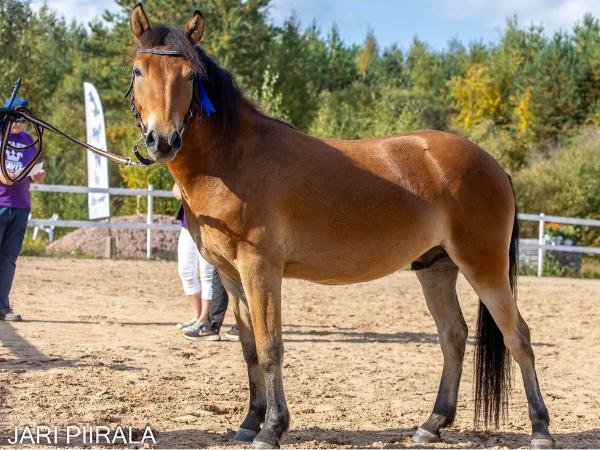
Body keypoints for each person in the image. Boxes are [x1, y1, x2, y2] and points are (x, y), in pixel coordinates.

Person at [173, 183, 239, 341]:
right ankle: (199, 318)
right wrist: (186, 193)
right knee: (186, 271)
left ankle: (206, 320)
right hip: (188, 222)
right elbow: (175, 188)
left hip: (211, 226)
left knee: (209, 274)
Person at [0, 97, 47, 321]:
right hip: (1, 203)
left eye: (22, 120)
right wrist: (17, 174)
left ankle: (3, 306)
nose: (18, 123)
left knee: (9, 259)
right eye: (14, 119)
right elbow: (5, 178)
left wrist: (38, 175)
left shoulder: (28, 140)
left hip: (20, 206)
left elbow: (35, 170)